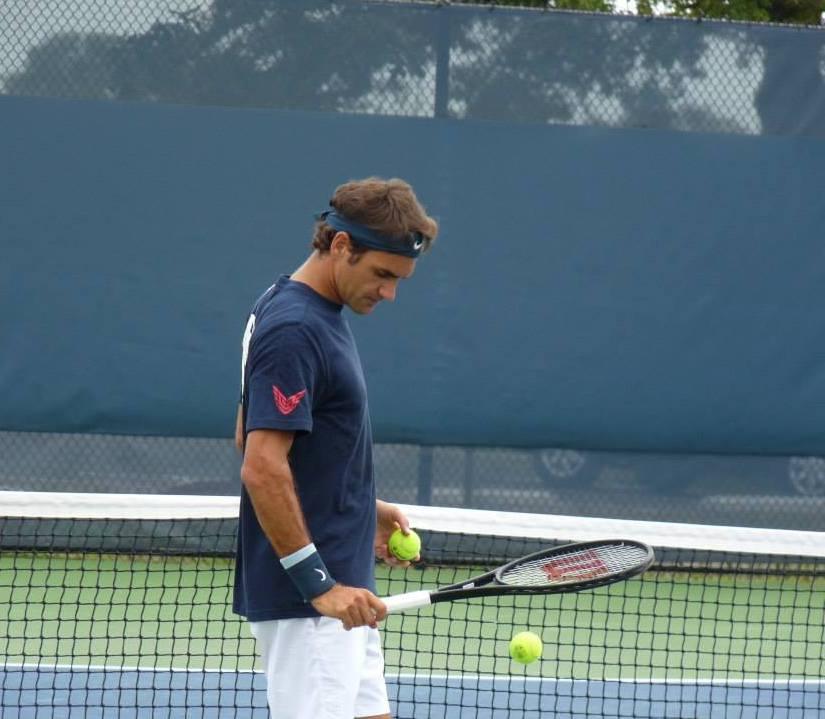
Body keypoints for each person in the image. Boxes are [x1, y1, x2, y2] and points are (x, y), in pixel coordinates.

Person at [233, 177, 439, 719]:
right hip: (317, 606)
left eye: (399, 279)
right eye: (382, 275)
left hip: (345, 592)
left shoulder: (304, 311)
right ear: (341, 246)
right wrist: (318, 586)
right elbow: (260, 464)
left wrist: (359, 511)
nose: (390, 292)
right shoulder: (296, 328)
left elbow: (253, 436)